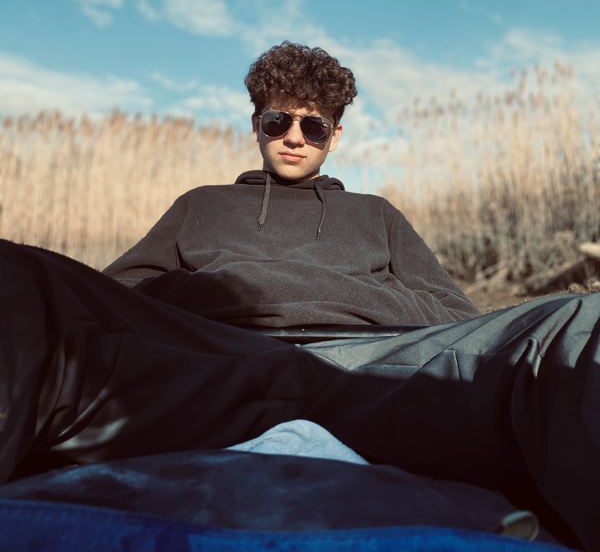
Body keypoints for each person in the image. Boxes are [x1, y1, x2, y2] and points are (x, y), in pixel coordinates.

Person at [0, 41, 598, 550]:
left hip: (373, 364)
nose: (293, 138)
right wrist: (204, 295)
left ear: (335, 136)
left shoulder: (376, 214)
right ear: (255, 125)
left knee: (578, 320)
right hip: (214, 356)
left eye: (313, 126)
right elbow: (116, 299)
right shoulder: (201, 205)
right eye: (277, 122)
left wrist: (368, 302)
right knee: (19, 275)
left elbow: (455, 319)